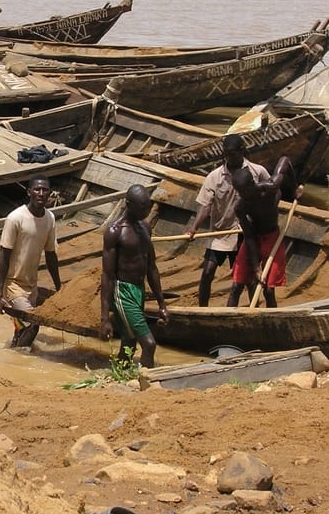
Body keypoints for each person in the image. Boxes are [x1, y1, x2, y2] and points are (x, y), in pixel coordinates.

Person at [185, 135, 269, 305]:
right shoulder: (214, 177)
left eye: (232, 154)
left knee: (248, 278)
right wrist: (193, 228)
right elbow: (205, 206)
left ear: (242, 151)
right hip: (220, 234)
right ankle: (202, 309)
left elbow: (272, 189)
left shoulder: (257, 171)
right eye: (226, 154)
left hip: (246, 236)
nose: (229, 158)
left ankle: (254, 310)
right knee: (208, 272)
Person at [100, 184, 169, 369]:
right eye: (141, 208)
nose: (145, 212)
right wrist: (105, 317)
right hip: (122, 292)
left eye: (147, 208)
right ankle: (148, 386)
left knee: (129, 342)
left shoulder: (145, 227)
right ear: (128, 204)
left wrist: (162, 304)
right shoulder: (115, 231)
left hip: (139, 290)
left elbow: (152, 267)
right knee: (149, 343)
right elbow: (107, 275)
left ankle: (120, 377)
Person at [0, 174, 61, 348]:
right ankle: (20, 357)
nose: (41, 193)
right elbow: (3, 256)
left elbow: (51, 255)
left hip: (32, 286)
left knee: (21, 329)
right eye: (37, 189)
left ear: (49, 194)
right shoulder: (15, 218)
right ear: (29, 192)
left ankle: (12, 353)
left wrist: (60, 288)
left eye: (45, 190)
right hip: (13, 285)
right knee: (33, 323)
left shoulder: (50, 219)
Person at [227, 156, 299, 308]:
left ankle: (271, 320)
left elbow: (285, 160)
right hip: (253, 237)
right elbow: (249, 236)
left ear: (252, 184)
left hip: (272, 237)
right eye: (238, 192)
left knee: (268, 290)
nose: (241, 195)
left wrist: (294, 189)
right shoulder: (241, 207)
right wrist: (255, 267)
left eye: (244, 191)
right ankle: (225, 321)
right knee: (236, 287)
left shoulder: (271, 187)